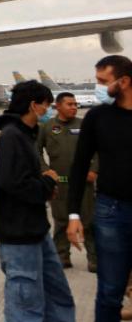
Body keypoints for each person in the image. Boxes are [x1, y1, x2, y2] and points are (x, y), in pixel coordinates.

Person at [0, 79, 77, 322]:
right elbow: (11, 182)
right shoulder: (12, 136)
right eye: (47, 105)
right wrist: (47, 183)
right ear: (34, 105)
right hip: (18, 234)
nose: (49, 110)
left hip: (36, 228)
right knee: (24, 301)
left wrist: (44, 184)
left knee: (57, 292)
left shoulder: (27, 134)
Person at [67, 54, 132, 322]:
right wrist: (73, 216)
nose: (99, 87)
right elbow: (79, 167)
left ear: (125, 81)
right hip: (111, 211)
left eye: (104, 81)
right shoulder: (97, 118)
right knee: (109, 293)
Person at [37, 92, 96, 270]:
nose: (74, 107)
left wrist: (94, 170)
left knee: (89, 221)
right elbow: (36, 151)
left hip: (84, 184)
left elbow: (99, 149)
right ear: (58, 106)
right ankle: (62, 257)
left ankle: (94, 259)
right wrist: (45, 170)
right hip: (60, 184)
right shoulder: (47, 127)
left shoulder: (84, 125)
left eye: (75, 104)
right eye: (70, 104)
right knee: (61, 221)